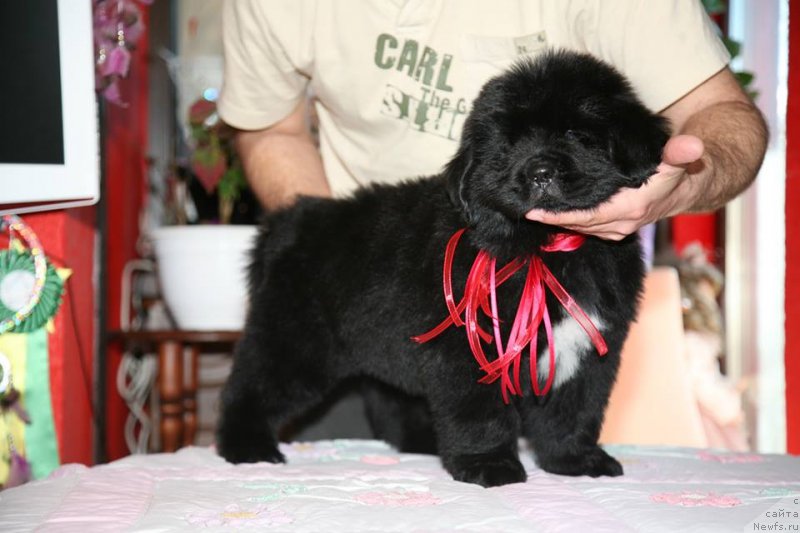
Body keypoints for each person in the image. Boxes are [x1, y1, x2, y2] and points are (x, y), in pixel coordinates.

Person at [218, 0, 767, 242]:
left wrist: (682, 187)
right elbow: (272, 129)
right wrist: (331, 248)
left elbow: (723, 115)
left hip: (553, 289)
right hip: (375, 264)